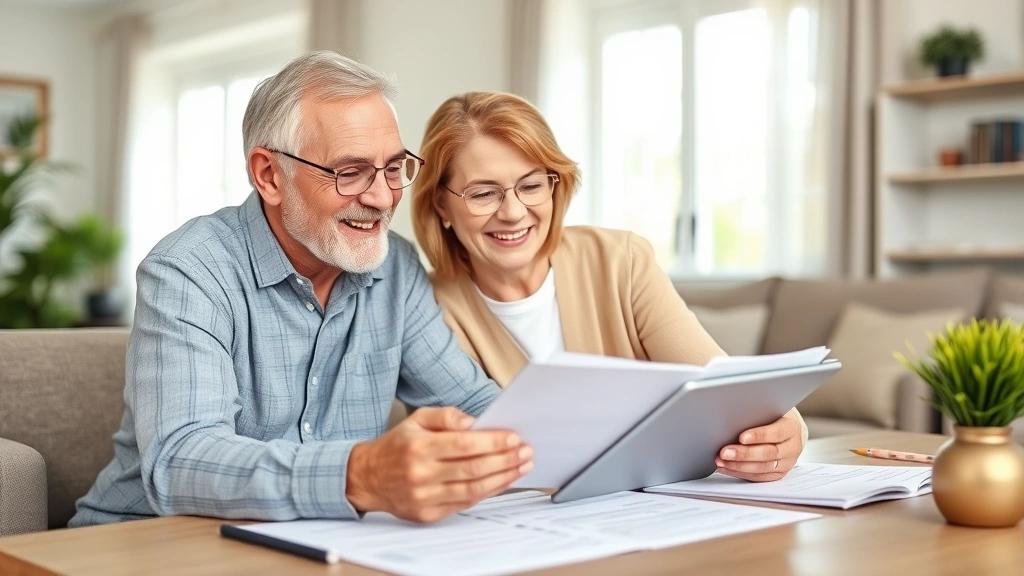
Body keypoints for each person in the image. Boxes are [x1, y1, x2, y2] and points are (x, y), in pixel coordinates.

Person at [69, 53, 533, 528]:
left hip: (313, 545)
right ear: (269, 175)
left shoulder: (396, 267)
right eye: (349, 172)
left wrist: (571, 440)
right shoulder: (190, 270)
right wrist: (360, 474)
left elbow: (474, 406)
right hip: (146, 542)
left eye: (394, 168)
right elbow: (183, 461)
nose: (381, 197)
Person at [411, 92, 807, 482]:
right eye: (483, 194)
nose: (513, 213)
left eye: (531, 186)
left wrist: (788, 430)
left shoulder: (622, 260)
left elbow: (726, 389)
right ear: (441, 206)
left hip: (653, 506)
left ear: (556, 186)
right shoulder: (422, 311)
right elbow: (461, 459)